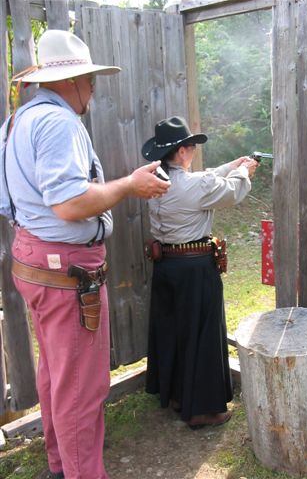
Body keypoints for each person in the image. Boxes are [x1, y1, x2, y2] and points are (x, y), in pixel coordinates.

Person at [0, 30, 170, 479]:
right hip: (65, 270)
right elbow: (70, 203)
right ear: (70, 81)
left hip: (34, 260)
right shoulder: (58, 123)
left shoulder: (20, 119)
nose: (93, 88)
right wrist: (129, 186)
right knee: (81, 388)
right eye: (89, 79)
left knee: (58, 374)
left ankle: (60, 467)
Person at [142, 116, 258, 429]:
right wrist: (243, 174)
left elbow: (205, 179)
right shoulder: (195, 186)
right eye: (191, 146)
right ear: (181, 152)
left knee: (177, 333)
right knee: (203, 336)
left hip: (166, 266)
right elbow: (231, 192)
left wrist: (231, 166)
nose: (193, 151)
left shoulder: (156, 178)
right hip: (195, 269)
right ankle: (203, 410)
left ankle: (179, 396)